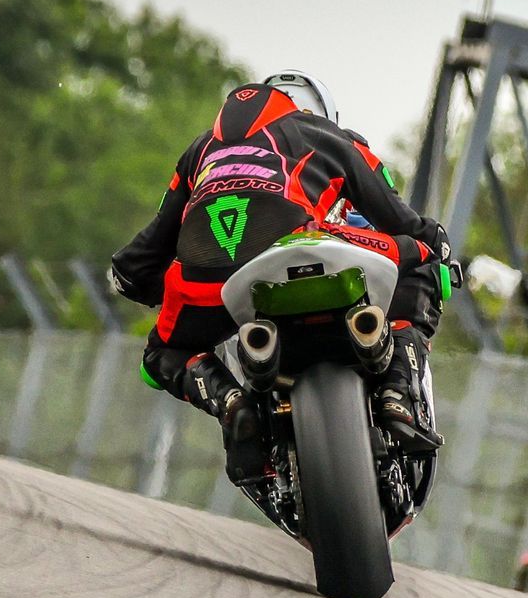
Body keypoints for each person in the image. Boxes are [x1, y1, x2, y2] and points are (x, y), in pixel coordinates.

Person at [110, 71, 454, 483]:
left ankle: (231, 402)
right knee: (421, 259)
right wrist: (438, 247)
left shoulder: (200, 151)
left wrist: (144, 285)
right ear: (320, 113)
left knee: (161, 354)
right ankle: (397, 393)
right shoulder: (335, 136)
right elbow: (400, 217)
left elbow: (141, 258)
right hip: (307, 243)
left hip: (211, 278)